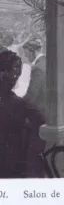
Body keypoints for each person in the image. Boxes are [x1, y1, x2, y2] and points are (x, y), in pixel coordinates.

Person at [0, 50, 27, 178]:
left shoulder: (16, 102)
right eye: (14, 71)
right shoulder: (16, 103)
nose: (16, 77)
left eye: (18, 73)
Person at [22, 38, 46, 177]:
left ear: (32, 51)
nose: (26, 57)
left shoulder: (37, 67)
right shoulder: (45, 61)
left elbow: (31, 96)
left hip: (40, 116)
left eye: (26, 53)